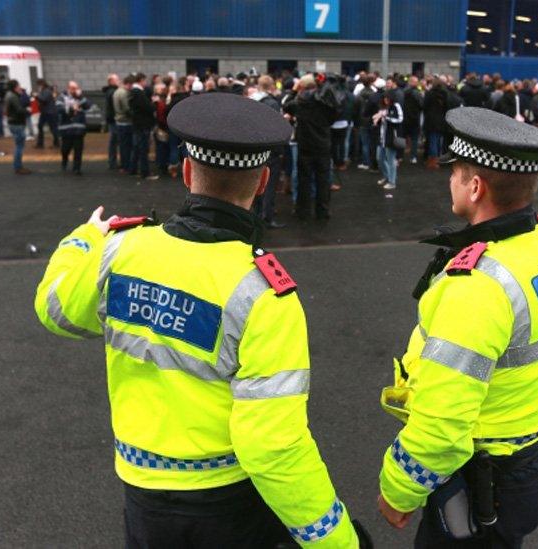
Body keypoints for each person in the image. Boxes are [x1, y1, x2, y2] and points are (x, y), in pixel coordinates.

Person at [34, 92, 367, 549]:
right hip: (226, 503)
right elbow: (272, 445)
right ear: (264, 181)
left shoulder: (120, 251)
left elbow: (57, 311)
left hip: (142, 493)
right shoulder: (265, 294)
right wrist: (335, 538)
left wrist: (83, 238)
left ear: (186, 171)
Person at [376, 106, 538, 549]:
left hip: (486, 475)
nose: (449, 180)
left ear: (475, 185)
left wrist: (398, 489)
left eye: (455, 172)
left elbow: (443, 424)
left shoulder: (477, 286)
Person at [283, 74, 341, 220]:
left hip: (305, 144)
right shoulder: (326, 101)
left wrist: (294, 91)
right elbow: (335, 114)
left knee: (304, 179)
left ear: (302, 86)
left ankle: (303, 211)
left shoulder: (300, 101)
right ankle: (323, 211)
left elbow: (286, 106)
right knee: (323, 179)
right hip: (322, 144)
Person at [250, 75, 286, 228]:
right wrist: (279, 150)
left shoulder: (251, 101)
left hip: (254, 148)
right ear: (271, 86)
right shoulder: (272, 104)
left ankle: (257, 214)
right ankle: (267, 217)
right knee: (269, 185)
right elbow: (275, 129)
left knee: (257, 184)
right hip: (269, 150)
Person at [57, 81, 91, 175]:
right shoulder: (62, 97)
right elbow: (59, 108)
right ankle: (65, 159)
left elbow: (88, 106)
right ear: (68, 88)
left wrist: (80, 97)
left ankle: (77, 168)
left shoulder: (81, 97)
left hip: (79, 128)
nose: (75, 90)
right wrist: (71, 108)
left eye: (76, 88)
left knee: (78, 150)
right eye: (73, 88)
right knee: (65, 149)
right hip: (66, 129)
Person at [129, 73, 156, 179]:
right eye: (145, 81)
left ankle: (133, 169)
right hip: (143, 124)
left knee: (136, 147)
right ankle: (145, 172)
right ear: (141, 80)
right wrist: (153, 102)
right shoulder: (139, 93)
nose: (146, 83)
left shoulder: (133, 92)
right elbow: (148, 108)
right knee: (143, 148)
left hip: (137, 124)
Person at [375, 91, 404, 191]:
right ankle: (387, 177)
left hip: (392, 138)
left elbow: (400, 119)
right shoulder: (384, 107)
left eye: (387, 98)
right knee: (380, 158)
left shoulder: (396, 106)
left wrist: (385, 117)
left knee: (391, 160)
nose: (386, 100)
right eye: (384, 98)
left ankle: (392, 182)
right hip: (383, 137)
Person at [4, 79, 30, 174]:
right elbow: (19, 109)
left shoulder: (9, 95)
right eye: (18, 85)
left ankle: (18, 166)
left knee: (18, 145)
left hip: (13, 122)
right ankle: (18, 167)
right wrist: (28, 111)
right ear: (15, 87)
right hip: (17, 123)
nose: (20, 87)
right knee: (19, 146)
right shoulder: (13, 97)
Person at [423, 78, 449, 170]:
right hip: (441, 120)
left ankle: (433, 161)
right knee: (438, 141)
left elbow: (424, 106)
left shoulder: (429, 94)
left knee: (432, 141)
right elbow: (446, 107)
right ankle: (437, 159)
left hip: (431, 120)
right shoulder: (445, 94)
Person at [114, 75, 134, 174]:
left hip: (119, 121)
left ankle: (123, 165)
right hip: (126, 122)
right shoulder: (124, 93)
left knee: (122, 146)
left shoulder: (117, 92)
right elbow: (127, 108)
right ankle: (126, 166)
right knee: (127, 146)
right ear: (129, 84)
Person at [35, 79, 59, 149]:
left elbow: (43, 99)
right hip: (45, 112)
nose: (38, 86)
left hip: (50, 112)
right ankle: (40, 143)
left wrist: (36, 96)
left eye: (39, 85)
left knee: (53, 128)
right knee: (40, 126)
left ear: (42, 84)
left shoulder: (47, 91)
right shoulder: (44, 90)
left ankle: (56, 143)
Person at [103, 74, 120, 169]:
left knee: (113, 141)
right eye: (117, 79)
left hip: (111, 118)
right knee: (114, 141)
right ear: (111, 81)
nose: (119, 80)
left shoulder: (110, 91)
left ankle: (112, 161)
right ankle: (112, 162)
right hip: (113, 119)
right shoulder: (112, 92)